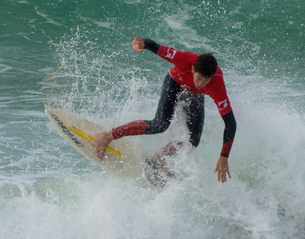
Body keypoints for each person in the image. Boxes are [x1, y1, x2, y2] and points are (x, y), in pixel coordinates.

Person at [93, 37, 236, 183]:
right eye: (199, 78)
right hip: (174, 83)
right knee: (160, 124)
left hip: (194, 95)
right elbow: (155, 46)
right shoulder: (184, 59)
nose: (201, 84)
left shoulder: (217, 84)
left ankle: (158, 157)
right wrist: (141, 44)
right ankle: (108, 135)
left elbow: (230, 123)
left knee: (192, 142)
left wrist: (224, 156)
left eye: (205, 80)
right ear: (193, 69)